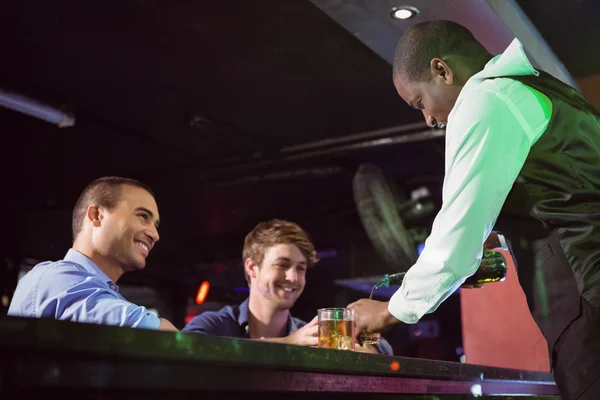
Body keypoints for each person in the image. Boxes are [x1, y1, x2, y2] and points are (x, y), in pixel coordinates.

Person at [347, 20, 600, 399]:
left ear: (441, 70)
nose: (430, 120)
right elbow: (564, 192)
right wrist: (499, 237)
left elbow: (456, 235)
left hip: (588, 294)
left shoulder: (485, 99)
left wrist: (390, 311)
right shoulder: (540, 88)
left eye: (421, 103)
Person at [184, 219, 393, 355]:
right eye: (282, 265)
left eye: (300, 268)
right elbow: (185, 351)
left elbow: (385, 350)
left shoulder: (308, 335)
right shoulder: (217, 324)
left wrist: (365, 346)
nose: (293, 277)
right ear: (252, 267)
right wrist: (289, 343)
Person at [8, 176, 178, 332]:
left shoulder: (103, 295)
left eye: (155, 225)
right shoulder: (54, 279)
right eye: (142, 216)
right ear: (96, 215)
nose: (155, 235)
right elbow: (164, 336)